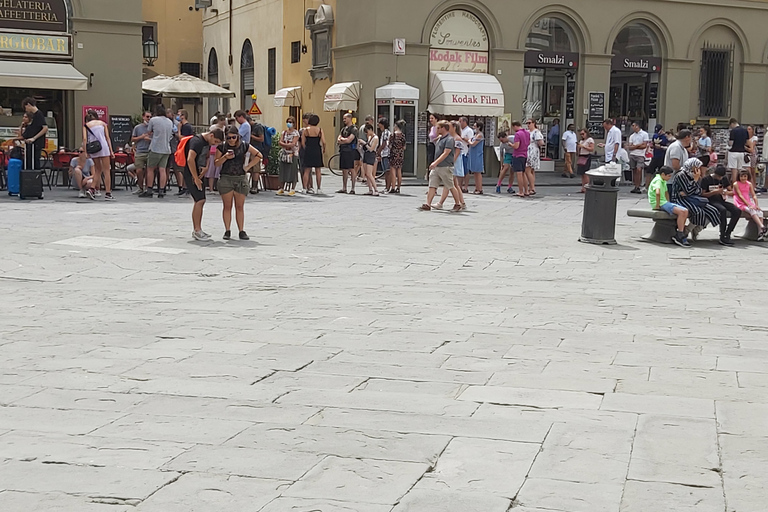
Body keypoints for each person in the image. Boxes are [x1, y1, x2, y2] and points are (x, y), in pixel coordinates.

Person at [214, 127, 262, 240]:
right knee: (227, 206)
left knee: (239, 206)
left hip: (240, 177)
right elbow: (216, 163)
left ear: (238, 136)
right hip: (226, 177)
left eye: (233, 137)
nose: (231, 140)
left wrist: (248, 166)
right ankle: (227, 230)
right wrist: (225, 157)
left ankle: (241, 230)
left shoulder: (244, 145)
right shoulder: (222, 147)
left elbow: (259, 155)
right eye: (229, 138)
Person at [183, 128, 225, 241]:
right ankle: (197, 230)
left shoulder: (206, 142)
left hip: (199, 173)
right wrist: (195, 178)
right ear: (211, 135)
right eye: (215, 141)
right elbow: (190, 159)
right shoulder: (196, 141)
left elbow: (205, 156)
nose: (215, 144)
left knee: (200, 200)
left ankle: (198, 229)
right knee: (199, 200)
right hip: (191, 173)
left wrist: (206, 167)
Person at [671, 158, 721, 241]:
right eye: (697, 167)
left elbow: (698, 191)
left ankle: (696, 229)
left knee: (713, 211)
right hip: (680, 199)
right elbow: (689, 190)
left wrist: (691, 188)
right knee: (698, 212)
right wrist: (695, 180)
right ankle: (685, 232)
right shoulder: (681, 175)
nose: (699, 169)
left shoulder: (695, 176)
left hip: (693, 198)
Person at [421, 120, 461, 211]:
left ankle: (457, 204)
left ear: (444, 128)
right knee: (432, 185)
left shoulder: (450, 139)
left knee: (450, 186)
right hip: (437, 167)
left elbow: (446, 153)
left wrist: (435, 162)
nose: (437, 129)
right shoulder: (440, 138)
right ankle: (428, 204)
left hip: (445, 166)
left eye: (439, 128)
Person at [649, 166, 691, 247]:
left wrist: (668, 202)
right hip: (660, 203)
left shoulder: (663, 180)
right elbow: (657, 193)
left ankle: (680, 231)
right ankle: (680, 234)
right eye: (668, 176)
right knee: (682, 212)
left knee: (685, 211)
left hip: (664, 202)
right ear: (663, 174)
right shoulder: (658, 180)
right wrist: (657, 205)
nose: (669, 178)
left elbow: (666, 192)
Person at [701, 165, 741, 246]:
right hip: (710, 201)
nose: (720, 178)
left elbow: (732, 191)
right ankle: (722, 234)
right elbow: (703, 194)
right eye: (718, 176)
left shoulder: (724, 179)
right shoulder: (706, 179)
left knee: (737, 210)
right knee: (722, 210)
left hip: (721, 200)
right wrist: (714, 192)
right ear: (714, 173)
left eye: (721, 177)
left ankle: (728, 232)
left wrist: (726, 192)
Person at [142, 104, 173, 198]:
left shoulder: (153, 120)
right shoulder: (169, 122)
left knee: (150, 169)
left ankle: (149, 189)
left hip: (155, 147)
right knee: (162, 169)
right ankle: (161, 190)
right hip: (166, 148)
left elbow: (149, 131)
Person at [83, 109, 115, 201]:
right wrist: (111, 151)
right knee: (106, 171)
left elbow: (85, 139)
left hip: (94, 148)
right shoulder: (102, 123)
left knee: (98, 169)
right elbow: (107, 137)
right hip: (103, 147)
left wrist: (86, 152)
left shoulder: (86, 126)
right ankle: (108, 193)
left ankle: (92, 188)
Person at [733, 169, 767, 241]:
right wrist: (748, 205)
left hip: (748, 200)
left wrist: (756, 204)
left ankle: (760, 233)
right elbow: (740, 195)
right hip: (739, 201)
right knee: (752, 210)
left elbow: (753, 195)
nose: (743, 178)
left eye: (745, 176)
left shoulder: (749, 184)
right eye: (741, 176)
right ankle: (762, 226)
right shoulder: (736, 184)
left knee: (760, 213)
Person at [21, 97, 48, 170]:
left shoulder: (39, 114)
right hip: (31, 144)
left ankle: (35, 178)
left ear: (29, 105)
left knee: (35, 162)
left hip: (36, 144)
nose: (26, 109)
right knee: (29, 161)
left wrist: (34, 138)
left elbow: (45, 128)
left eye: (25, 107)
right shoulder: (34, 115)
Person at [301, 114, 325, 195]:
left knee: (307, 170)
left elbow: (303, 142)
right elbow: (324, 142)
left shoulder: (306, 130)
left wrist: (306, 148)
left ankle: (304, 188)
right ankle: (319, 188)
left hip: (309, 150)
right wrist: (323, 149)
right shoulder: (320, 130)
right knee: (318, 170)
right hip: (317, 149)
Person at [445, 121, 466, 210]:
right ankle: (462, 202)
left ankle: (441, 202)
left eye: (449, 127)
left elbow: (457, 153)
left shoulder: (457, 139)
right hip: (452, 162)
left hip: (454, 162)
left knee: (450, 183)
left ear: (454, 128)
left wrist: (451, 162)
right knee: (455, 184)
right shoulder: (451, 138)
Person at [336, 113, 359, 194]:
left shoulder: (354, 129)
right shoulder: (343, 129)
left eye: (345, 118)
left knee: (351, 169)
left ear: (350, 118)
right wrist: (343, 140)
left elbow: (349, 140)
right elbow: (338, 139)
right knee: (344, 170)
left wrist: (343, 140)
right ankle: (344, 188)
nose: (344, 120)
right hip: (343, 151)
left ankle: (353, 188)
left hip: (350, 151)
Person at [277, 116, 300, 196]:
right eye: (288, 122)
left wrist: (285, 144)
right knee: (283, 170)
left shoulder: (296, 133)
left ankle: (293, 189)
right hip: (285, 154)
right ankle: (281, 188)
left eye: (290, 122)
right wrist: (286, 145)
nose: (289, 124)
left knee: (293, 171)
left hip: (293, 154)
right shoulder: (284, 132)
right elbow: (280, 142)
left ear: (294, 123)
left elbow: (293, 144)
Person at [131, 111, 152, 195]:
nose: (149, 119)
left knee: (149, 171)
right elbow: (132, 139)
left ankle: (147, 188)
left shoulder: (153, 128)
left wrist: (149, 139)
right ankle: (140, 187)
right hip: (140, 151)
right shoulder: (137, 127)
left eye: (150, 117)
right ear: (143, 117)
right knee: (139, 170)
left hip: (150, 151)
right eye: (147, 117)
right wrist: (141, 137)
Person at [627, 121, 650, 193]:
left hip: (640, 155)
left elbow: (644, 146)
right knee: (633, 170)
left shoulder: (644, 134)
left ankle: (638, 185)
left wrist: (635, 146)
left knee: (639, 169)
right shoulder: (632, 136)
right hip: (633, 154)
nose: (632, 127)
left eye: (633, 126)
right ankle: (635, 185)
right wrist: (638, 145)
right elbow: (630, 147)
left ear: (637, 126)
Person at [358, 124, 380, 196]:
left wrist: (364, 143)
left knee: (369, 173)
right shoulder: (369, 137)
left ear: (370, 129)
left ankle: (376, 189)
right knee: (366, 174)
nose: (366, 133)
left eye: (367, 131)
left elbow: (371, 149)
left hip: (371, 155)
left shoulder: (375, 138)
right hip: (366, 155)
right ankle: (370, 189)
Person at [645, 124, 669, 189]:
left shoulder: (665, 137)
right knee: (649, 171)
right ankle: (647, 186)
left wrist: (661, 147)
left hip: (662, 156)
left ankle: (661, 186)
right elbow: (652, 143)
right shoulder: (655, 135)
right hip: (655, 156)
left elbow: (668, 147)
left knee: (661, 172)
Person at [511, 121, 531, 197]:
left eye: (513, 127)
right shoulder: (527, 133)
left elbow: (516, 146)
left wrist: (511, 145)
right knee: (523, 173)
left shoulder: (518, 134)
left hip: (517, 155)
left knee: (519, 174)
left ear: (515, 126)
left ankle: (520, 191)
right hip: (525, 154)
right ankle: (526, 190)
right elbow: (528, 143)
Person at [727, 118, 750, 184]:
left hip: (733, 152)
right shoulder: (745, 130)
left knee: (734, 170)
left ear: (732, 124)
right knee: (740, 170)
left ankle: (734, 186)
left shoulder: (733, 131)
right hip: (742, 152)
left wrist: (728, 144)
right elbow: (747, 142)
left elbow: (731, 143)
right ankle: (741, 185)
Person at [526, 119, 543, 195]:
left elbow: (541, 142)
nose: (528, 125)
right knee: (531, 171)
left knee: (528, 170)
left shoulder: (536, 132)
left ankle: (532, 187)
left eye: (529, 123)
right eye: (527, 123)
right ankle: (531, 187)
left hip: (532, 150)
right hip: (528, 150)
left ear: (534, 123)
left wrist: (536, 142)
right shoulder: (528, 132)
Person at [388, 120, 406, 194]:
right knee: (399, 170)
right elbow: (404, 147)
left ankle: (393, 187)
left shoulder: (393, 135)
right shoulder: (402, 135)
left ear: (396, 126)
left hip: (394, 153)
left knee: (393, 171)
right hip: (400, 153)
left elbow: (390, 145)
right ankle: (398, 187)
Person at [249, 118, 266, 194]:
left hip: (256, 149)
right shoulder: (250, 127)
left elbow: (261, 139)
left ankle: (254, 187)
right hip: (250, 149)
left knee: (255, 168)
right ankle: (252, 186)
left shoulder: (258, 127)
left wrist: (251, 136)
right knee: (252, 168)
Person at [469, 121, 485, 194]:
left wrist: (469, 140)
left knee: (478, 172)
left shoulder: (480, 135)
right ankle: (476, 187)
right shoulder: (475, 135)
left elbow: (473, 144)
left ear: (479, 127)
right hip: (473, 154)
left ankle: (480, 188)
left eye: (475, 126)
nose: (473, 127)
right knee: (475, 172)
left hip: (477, 154)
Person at [577, 128, 595, 193]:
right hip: (581, 156)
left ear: (586, 133)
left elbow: (591, 149)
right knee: (582, 173)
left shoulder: (590, 140)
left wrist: (583, 146)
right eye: (581, 134)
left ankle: (587, 186)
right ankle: (583, 187)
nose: (582, 135)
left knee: (585, 173)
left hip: (586, 156)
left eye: (583, 134)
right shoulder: (581, 141)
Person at [459, 117, 474, 193]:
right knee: (460, 170)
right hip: (460, 152)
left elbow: (470, 141)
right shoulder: (460, 130)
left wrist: (462, 138)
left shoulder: (469, 130)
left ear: (464, 122)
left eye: (460, 121)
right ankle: (460, 186)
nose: (459, 123)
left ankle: (466, 186)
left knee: (465, 170)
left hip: (465, 152)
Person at [377, 118, 392, 192]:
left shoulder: (385, 133)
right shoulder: (385, 132)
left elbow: (384, 143)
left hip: (386, 153)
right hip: (385, 154)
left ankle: (387, 187)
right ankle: (387, 187)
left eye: (379, 123)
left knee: (387, 172)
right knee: (386, 172)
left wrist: (378, 151)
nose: (378, 124)